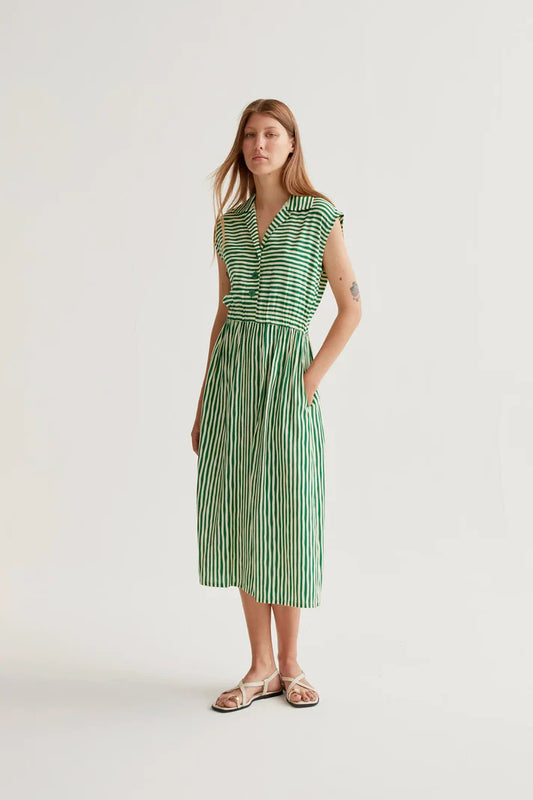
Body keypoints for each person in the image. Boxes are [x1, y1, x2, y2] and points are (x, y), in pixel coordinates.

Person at [191, 99, 362, 712]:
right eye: (249, 135)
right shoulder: (228, 225)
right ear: (241, 147)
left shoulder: (319, 217)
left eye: (272, 134)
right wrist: (205, 399)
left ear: (292, 144)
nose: (259, 144)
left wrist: (308, 383)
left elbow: (352, 308)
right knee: (241, 520)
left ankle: (291, 664)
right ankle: (259, 666)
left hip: (289, 381)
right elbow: (224, 313)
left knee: (287, 517)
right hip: (231, 386)